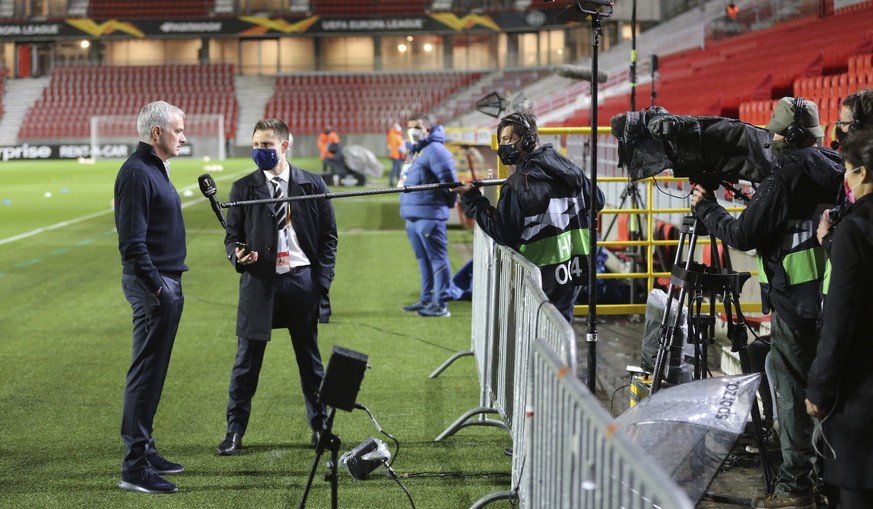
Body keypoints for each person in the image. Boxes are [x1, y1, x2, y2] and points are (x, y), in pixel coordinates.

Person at [691, 97, 843, 509]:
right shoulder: (834, 165)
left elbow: (743, 236)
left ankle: (795, 488)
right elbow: (788, 219)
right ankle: (827, 477)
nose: (770, 138)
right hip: (831, 297)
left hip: (795, 300)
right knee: (787, 370)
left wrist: (706, 208)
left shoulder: (784, 177)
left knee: (792, 391)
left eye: (776, 132)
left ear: (791, 137)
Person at [216, 119, 337, 456]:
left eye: (267, 146)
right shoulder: (242, 188)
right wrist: (237, 256)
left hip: (301, 283)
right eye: (256, 145)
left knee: (310, 364)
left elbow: (329, 237)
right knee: (245, 366)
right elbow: (232, 237)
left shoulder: (313, 183)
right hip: (259, 284)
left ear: (285, 146)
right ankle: (234, 432)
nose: (260, 151)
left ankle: (319, 428)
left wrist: (320, 281)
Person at [454, 112, 604, 324]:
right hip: (574, 269)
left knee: (539, 340)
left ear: (528, 140)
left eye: (508, 139)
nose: (502, 145)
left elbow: (501, 232)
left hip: (541, 277)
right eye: (501, 140)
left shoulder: (518, 185)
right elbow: (598, 200)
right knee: (559, 331)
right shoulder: (570, 169)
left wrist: (472, 198)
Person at [114, 101, 188, 494]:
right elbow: (132, 245)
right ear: (156, 133)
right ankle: (135, 466)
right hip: (153, 286)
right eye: (178, 130)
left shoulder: (153, 170)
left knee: (153, 372)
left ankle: (147, 449)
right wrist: (160, 288)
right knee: (145, 374)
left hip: (164, 282)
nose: (184, 136)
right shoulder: (137, 173)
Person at [805, 135, 873, 509]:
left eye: (848, 172)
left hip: (861, 404)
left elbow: (840, 320)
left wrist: (819, 388)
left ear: (862, 173)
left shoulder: (853, 230)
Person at [400, 113, 459, 317]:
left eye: (415, 126)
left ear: (427, 129)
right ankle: (426, 299)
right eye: (409, 127)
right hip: (413, 215)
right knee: (423, 260)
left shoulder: (436, 151)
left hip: (430, 215)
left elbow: (451, 183)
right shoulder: (416, 151)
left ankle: (441, 304)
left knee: (438, 259)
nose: (411, 130)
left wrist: (443, 208)